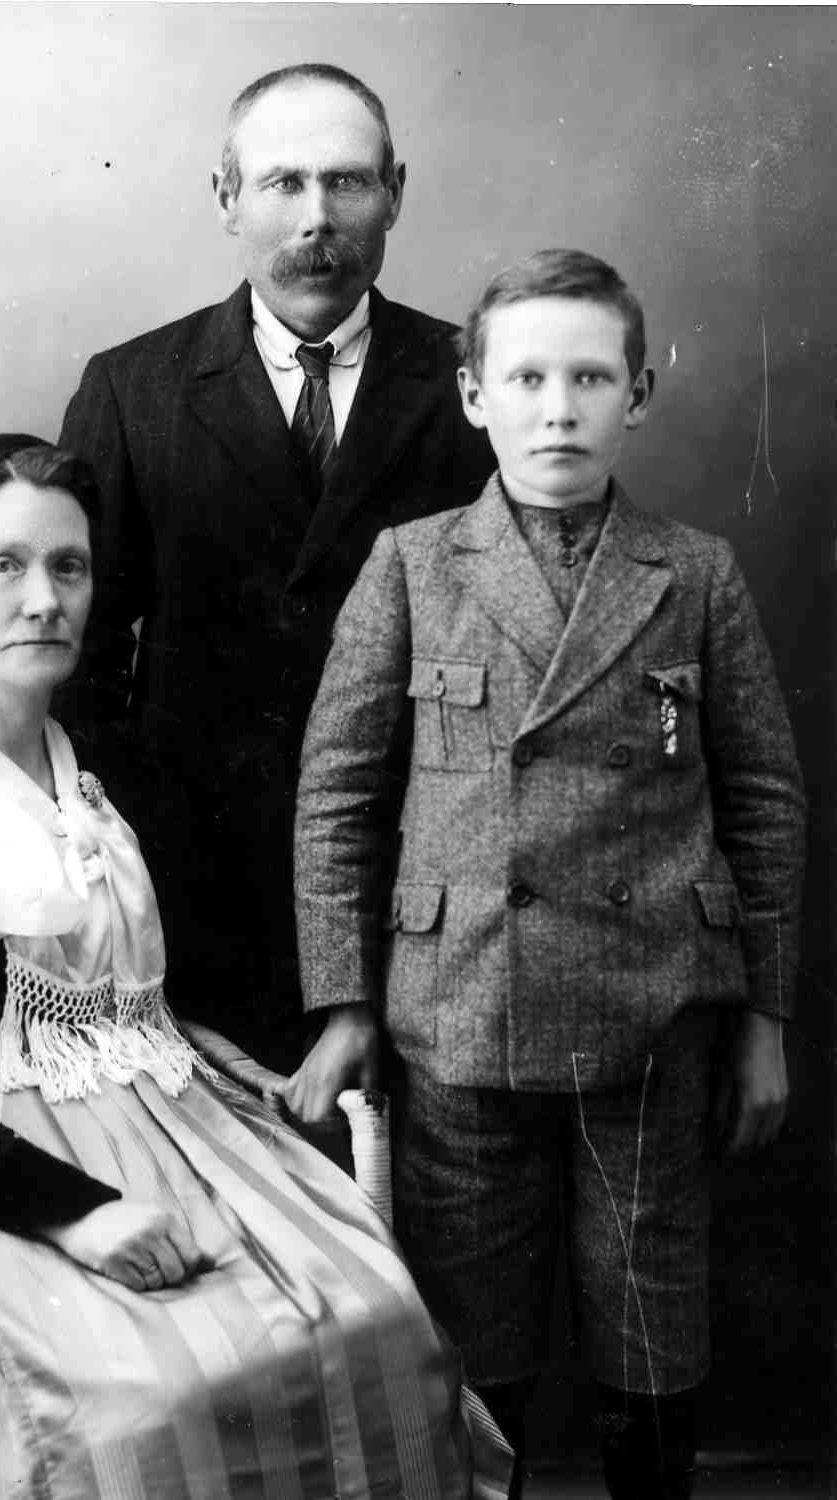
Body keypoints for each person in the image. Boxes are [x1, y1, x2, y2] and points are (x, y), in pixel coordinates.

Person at [0, 435, 511, 1500]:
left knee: (378, 1323)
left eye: (70, 567)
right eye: (4, 565)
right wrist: (82, 1213)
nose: (45, 599)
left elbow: (170, 999)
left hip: (179, 1123)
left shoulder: (112, 775)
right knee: (136, 1408)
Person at [288, 251, 806, 1499]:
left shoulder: (695, 572)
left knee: (650, 1326)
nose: (558, 409)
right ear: (475, 396)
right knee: (474, 1345)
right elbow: (337, 794)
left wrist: (766, 1019)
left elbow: (765, 803)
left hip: (653, 1015)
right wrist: (346, 1004)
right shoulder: (413, 564)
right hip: (462, 1013)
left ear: (641, 393)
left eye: (589, 378)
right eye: (525, 379)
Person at [58, 63, 490, 1071]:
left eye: (347, 181)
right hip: (196, 890)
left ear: (395, 194)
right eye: (284, 182)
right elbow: (79, 659)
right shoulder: (133, 389)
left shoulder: (473, 383)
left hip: (423, 882)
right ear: (227, 198)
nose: (317, 217)